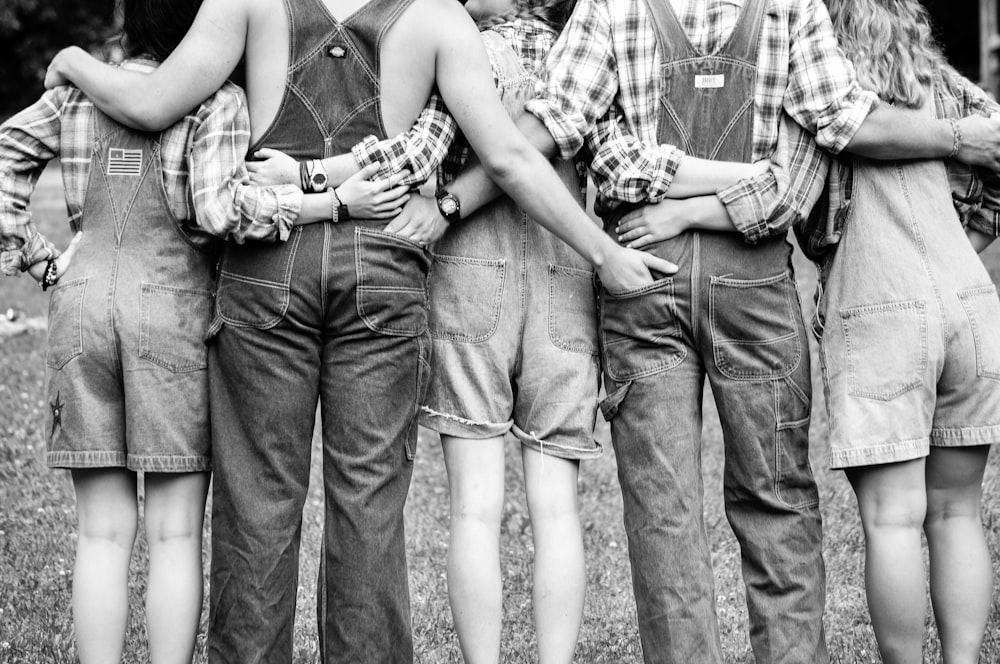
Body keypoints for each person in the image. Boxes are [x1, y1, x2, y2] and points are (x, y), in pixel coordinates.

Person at [41, 1, 680, 661]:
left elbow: (151, 103)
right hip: (381, 271)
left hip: (268, 265)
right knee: (367, 507)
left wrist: (72, 61)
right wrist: (602, 251)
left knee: (258, 504)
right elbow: (512, 159)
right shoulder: (437, 18)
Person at [381, 1, 1000, 662]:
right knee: (776, 503)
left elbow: (561, 133)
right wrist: (956, 138)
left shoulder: (609, 8)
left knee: (664, 511)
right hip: (753, 281)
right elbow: (836, 128)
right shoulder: (792, 8)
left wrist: (452, 201)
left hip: (645, 273)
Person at [0, 0, 409, 661]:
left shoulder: (74, 96)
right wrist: (325, 202)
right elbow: (222, 211)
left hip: (80, 306)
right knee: (172, 532)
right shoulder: (220, 102)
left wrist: (44, 260)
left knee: (101, 532)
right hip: (171, 318)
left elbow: (4, 157)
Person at [801, 0, 1000, 661]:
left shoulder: (815, 85)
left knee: (892, 520)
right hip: (970, 300)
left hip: (879, 303)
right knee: (956, 511)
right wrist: (968, 241)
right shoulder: (942, 86)